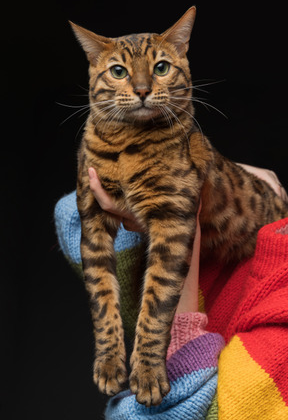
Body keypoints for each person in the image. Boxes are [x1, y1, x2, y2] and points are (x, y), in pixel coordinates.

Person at [54, 165, 288, 419]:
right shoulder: (260, 229)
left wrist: (181, 242)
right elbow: (77, 212)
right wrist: (214, 171)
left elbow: (174, 415)